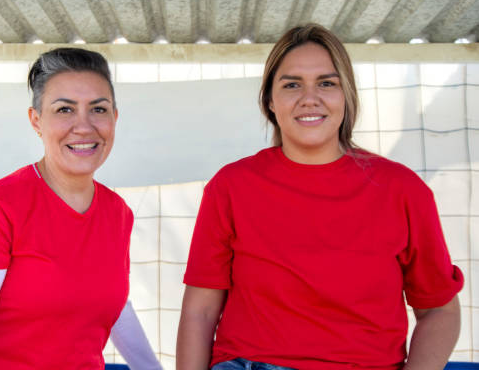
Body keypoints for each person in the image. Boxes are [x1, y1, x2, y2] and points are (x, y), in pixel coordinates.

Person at [176, 24, 463, 370]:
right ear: (269, 99)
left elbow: (439, 310)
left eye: (327, 83)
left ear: (347, 96)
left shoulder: (403, 190)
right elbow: (200, 311)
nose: (309, 98)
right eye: (292, 84)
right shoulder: (231, 186)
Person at [0, 48, 162, 370]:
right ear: (36, 120)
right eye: (64, 109)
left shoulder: (117, 211)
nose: (83, 126)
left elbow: (114, 303)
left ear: (114, 118)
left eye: (98, 109)